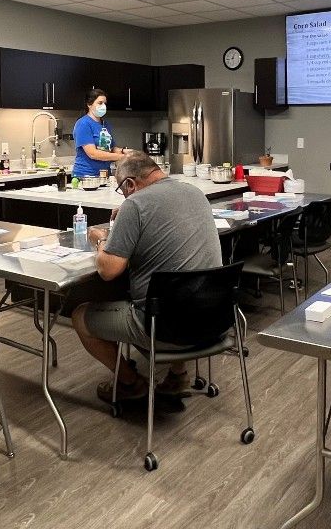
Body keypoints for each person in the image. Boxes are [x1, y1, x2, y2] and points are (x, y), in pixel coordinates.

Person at [72, 152, 222, 403]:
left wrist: (101, 239)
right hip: (214, 317)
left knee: (79, 317)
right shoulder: (194, 193)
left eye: (123, 189)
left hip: (167, 327)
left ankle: (129, 383)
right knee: (182, 286)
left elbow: (109, 270)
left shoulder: (135, 204)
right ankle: (178, 375)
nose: (125, 196)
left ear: (130, 183)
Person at [71, 87, 128, 178]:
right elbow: (93, 153)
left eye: (104, 103)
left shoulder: (105, 124)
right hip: (86, 176)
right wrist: (122, 157)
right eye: (100, 103)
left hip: (104, 175)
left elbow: (111, 148)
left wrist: (124, 151)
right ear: (89, 104)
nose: (103, 106)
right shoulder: (83, 124)